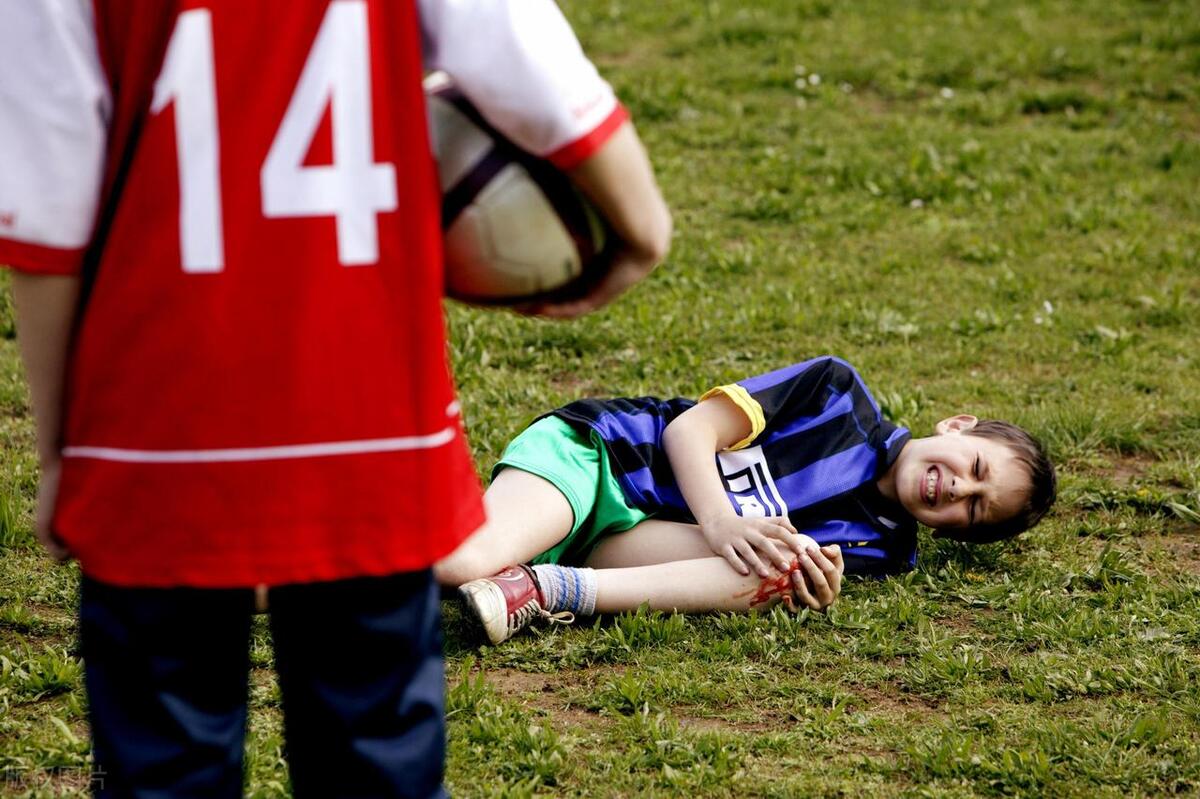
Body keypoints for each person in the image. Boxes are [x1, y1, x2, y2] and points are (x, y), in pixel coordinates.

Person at [0, 1, 669, 796]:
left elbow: (48, 218)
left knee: (162, 769)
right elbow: (535, 75)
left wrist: (60, 449)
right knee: (375, 759)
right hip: (369, 423)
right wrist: (641, 225)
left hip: (159, 431)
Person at [436, 356, 1056, 644]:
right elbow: (690, 430)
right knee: (461, 564)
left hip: (622, 546)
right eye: (975, 467)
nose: (957, 487)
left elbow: (757, 574)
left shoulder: (886, 548)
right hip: (600, 460)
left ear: (953, 533)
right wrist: (722, 520)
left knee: (790, 567)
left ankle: (547, 591)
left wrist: (807, 587)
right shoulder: (836, 394)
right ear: (956, 425)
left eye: (974, 508)